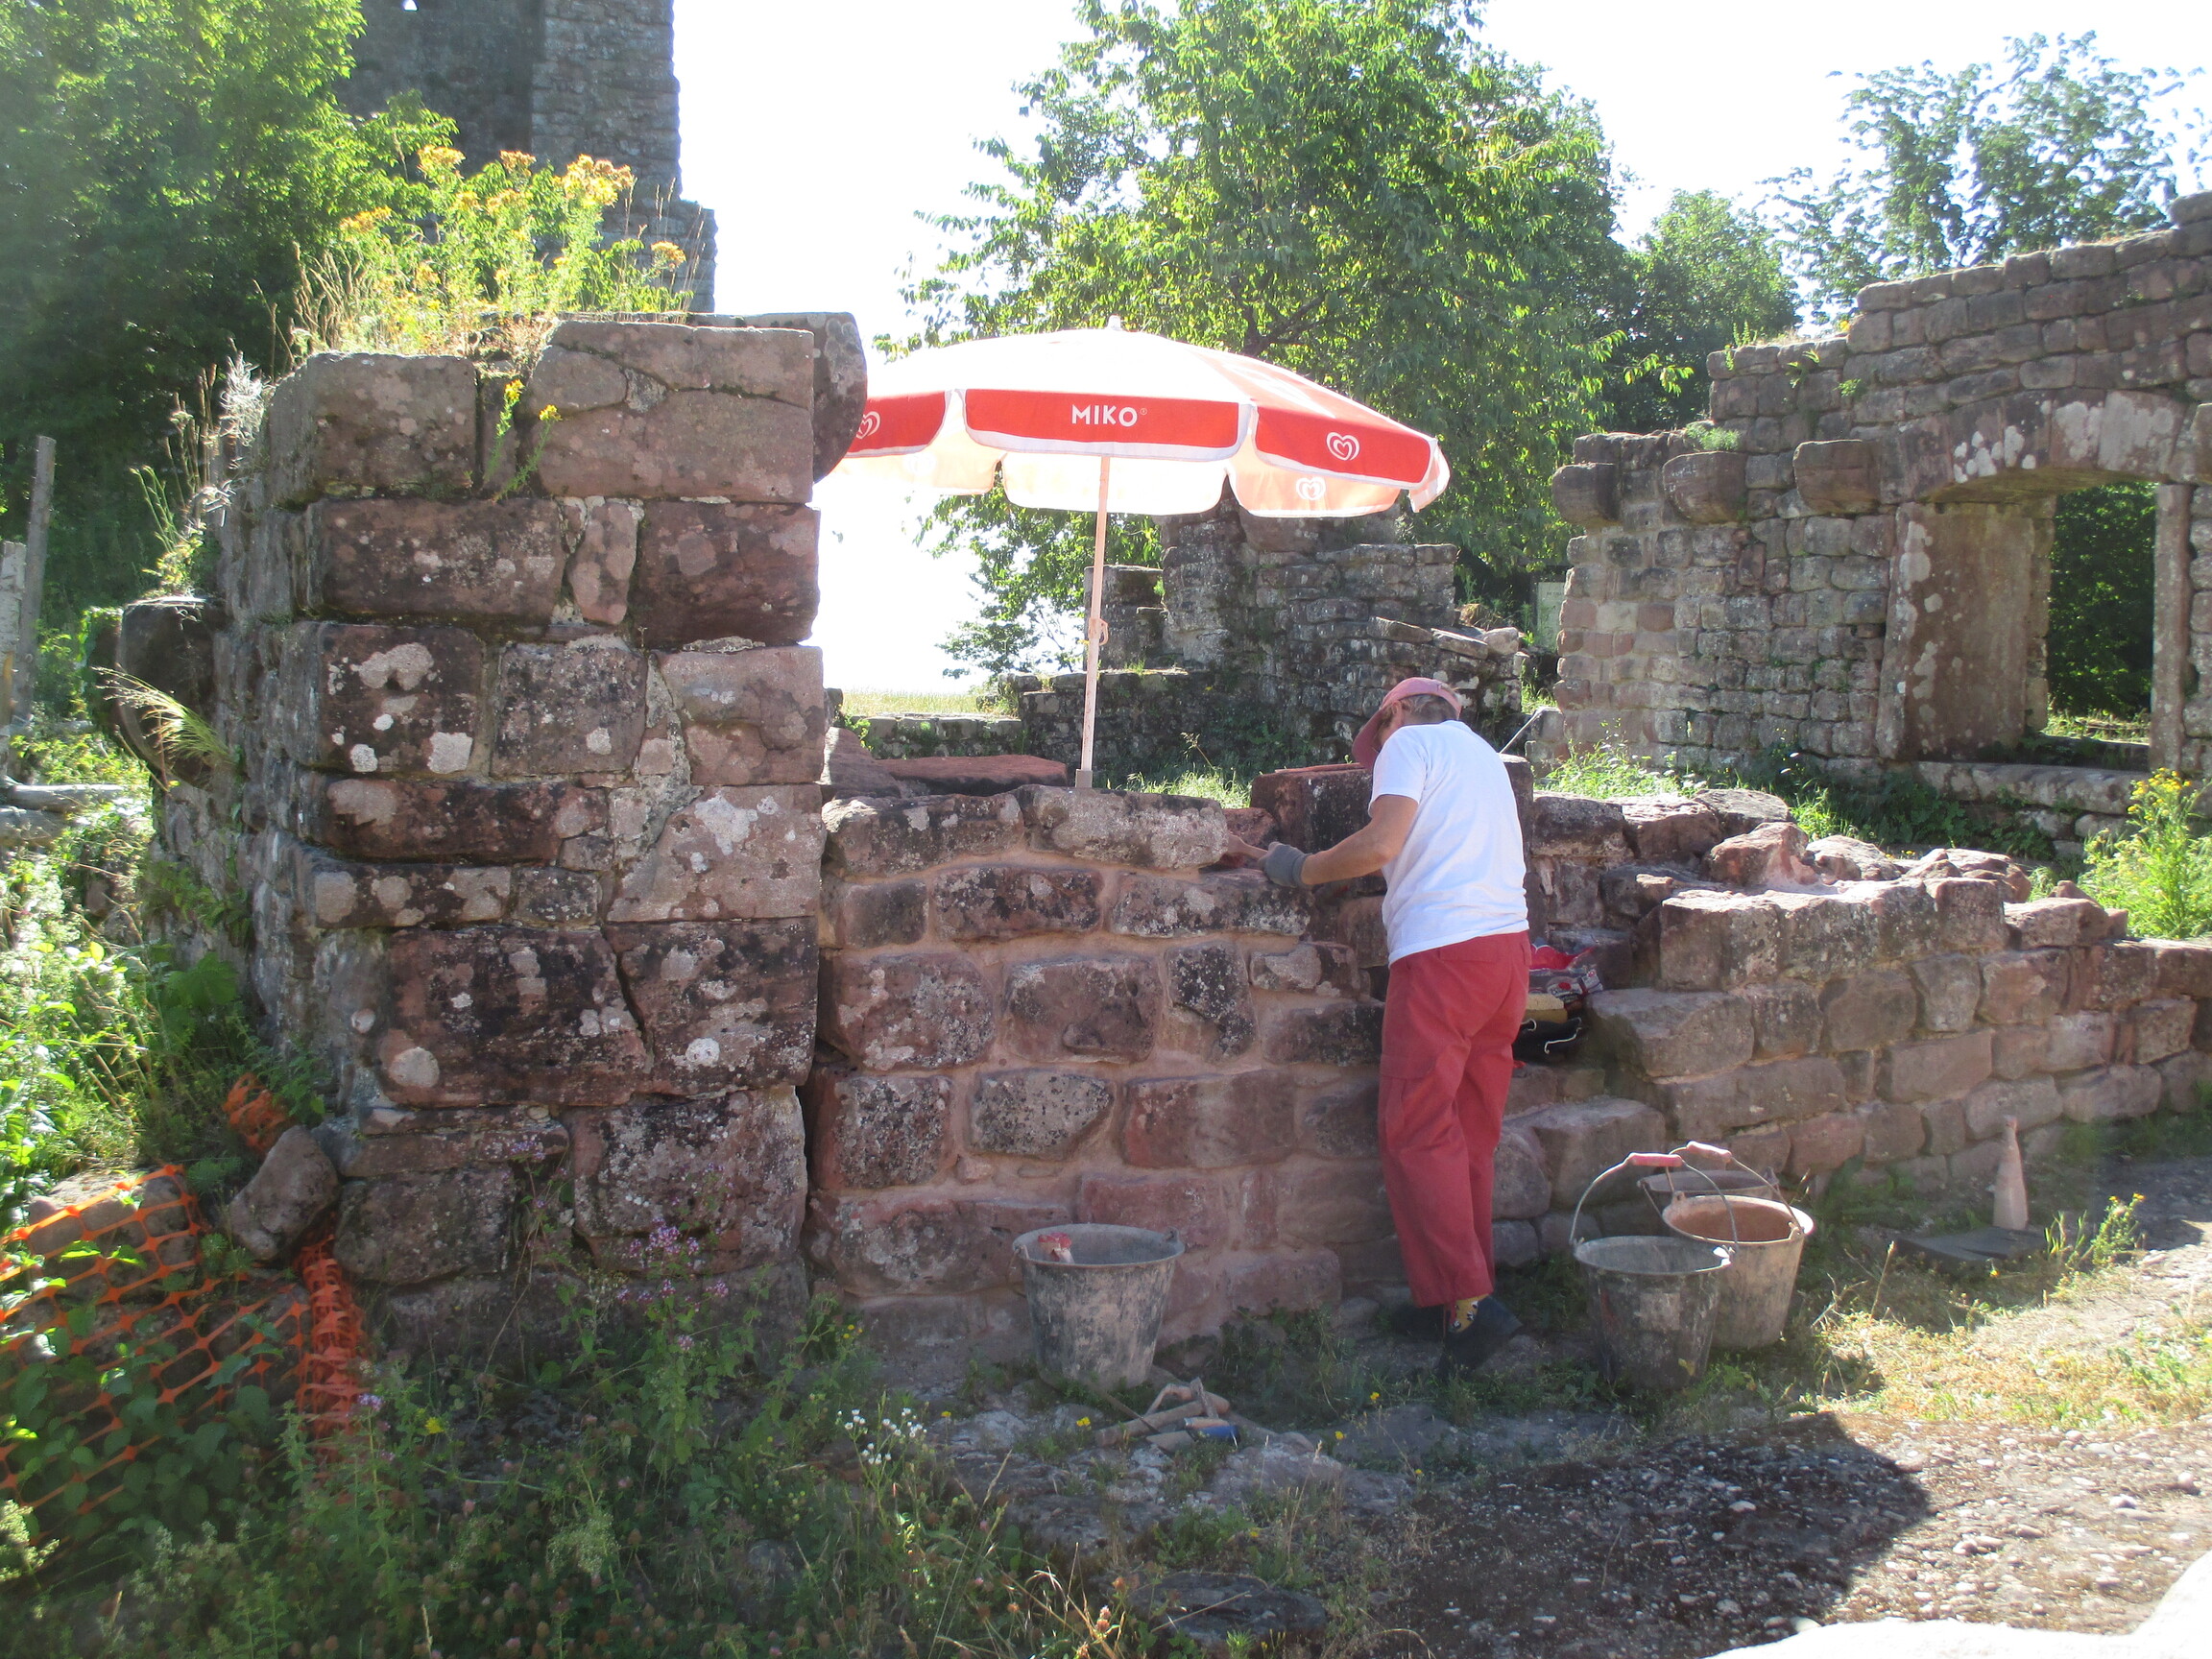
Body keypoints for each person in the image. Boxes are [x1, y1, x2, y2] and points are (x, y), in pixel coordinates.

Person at [1242, 677, 1530, 1376]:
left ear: (1396, 712)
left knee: (1416, 1126)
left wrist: (1300, 868)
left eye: (1380, 733)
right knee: (1470, 1130)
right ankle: (1462, 1302)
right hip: (1508, 954)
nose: (1381, 748)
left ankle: (1469, 1303)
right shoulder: (1483, 755)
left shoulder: (1411, 744)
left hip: (1444, 956)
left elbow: (1382, 843)